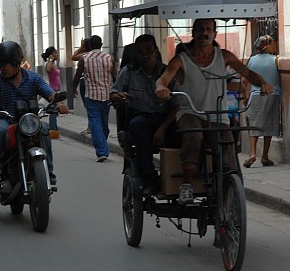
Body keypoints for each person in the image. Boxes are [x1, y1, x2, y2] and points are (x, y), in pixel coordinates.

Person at [155, 18, 274, 204]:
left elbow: (247, 73)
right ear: (193, 33)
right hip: (190, 112)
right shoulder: (182, 59)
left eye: (209, 29)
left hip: (218, 114)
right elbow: (164, 78)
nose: (205, 33)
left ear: (214, 34)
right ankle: (186, 185)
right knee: (194, 136)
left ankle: (228, 187)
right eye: (201, 29)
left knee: (226, 145)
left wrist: (263, 83)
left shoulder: (224, 56)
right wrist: (161, 88)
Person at [0, 40, 68, 184]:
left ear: (15, 63)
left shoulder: (33, 78)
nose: (1, 68)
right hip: (5, 119)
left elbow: (50, 94)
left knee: (45, 131)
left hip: (29, 120)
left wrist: (59, 104)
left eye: (4, 64)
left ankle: (48, 172)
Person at [110, 35, 179, 193]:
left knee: (186, 132)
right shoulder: (128, 72)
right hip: (142, 119)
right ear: (136, 54)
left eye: (149, 50)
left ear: (156, 51)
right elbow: (113, 92)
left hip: (166, 120)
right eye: (140, 52)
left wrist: (162, 128)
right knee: (138, 126)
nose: (145, 55)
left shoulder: (167, 72)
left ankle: (178, 177)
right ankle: (149, 175)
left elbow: (177, 104)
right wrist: (117, 97)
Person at [242, 34, 281, 168]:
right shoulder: (275, 60)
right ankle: (264, 156)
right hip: (272, 95)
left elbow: (244, 81)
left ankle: (252, 154)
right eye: (272, 43)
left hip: (255, 95)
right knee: (268, 125)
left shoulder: (251, 60)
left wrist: (244, 97)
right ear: (268, 45)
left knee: (253, 124)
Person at [77, 35, 116, 162]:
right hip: (106, 95)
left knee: (97, 124)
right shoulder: (109, 58)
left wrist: (72, 89)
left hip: (91, 95)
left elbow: (77, 76)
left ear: (89, 46)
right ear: (101, 44)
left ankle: (102, 146)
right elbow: (116, 77)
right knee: (101, 123)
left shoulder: (84, 59)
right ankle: (102, 151)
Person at [72, 38, 91, 135]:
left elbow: (73, 56)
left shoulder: (85, 56)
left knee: (88, 106)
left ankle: (90, 127)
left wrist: (81, 47)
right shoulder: (97, 55)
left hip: (85, 81)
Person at [43, 46, 61, 139]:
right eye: (55, 53)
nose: (57, 55)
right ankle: (54, 132)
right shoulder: (48, 63)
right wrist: (50, 60)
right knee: (53, 111)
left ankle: (55, 131)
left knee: (55, 111)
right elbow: (48, 70)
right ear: (51, 54)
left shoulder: (54, 64)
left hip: (57, 90)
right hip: (51, 90)